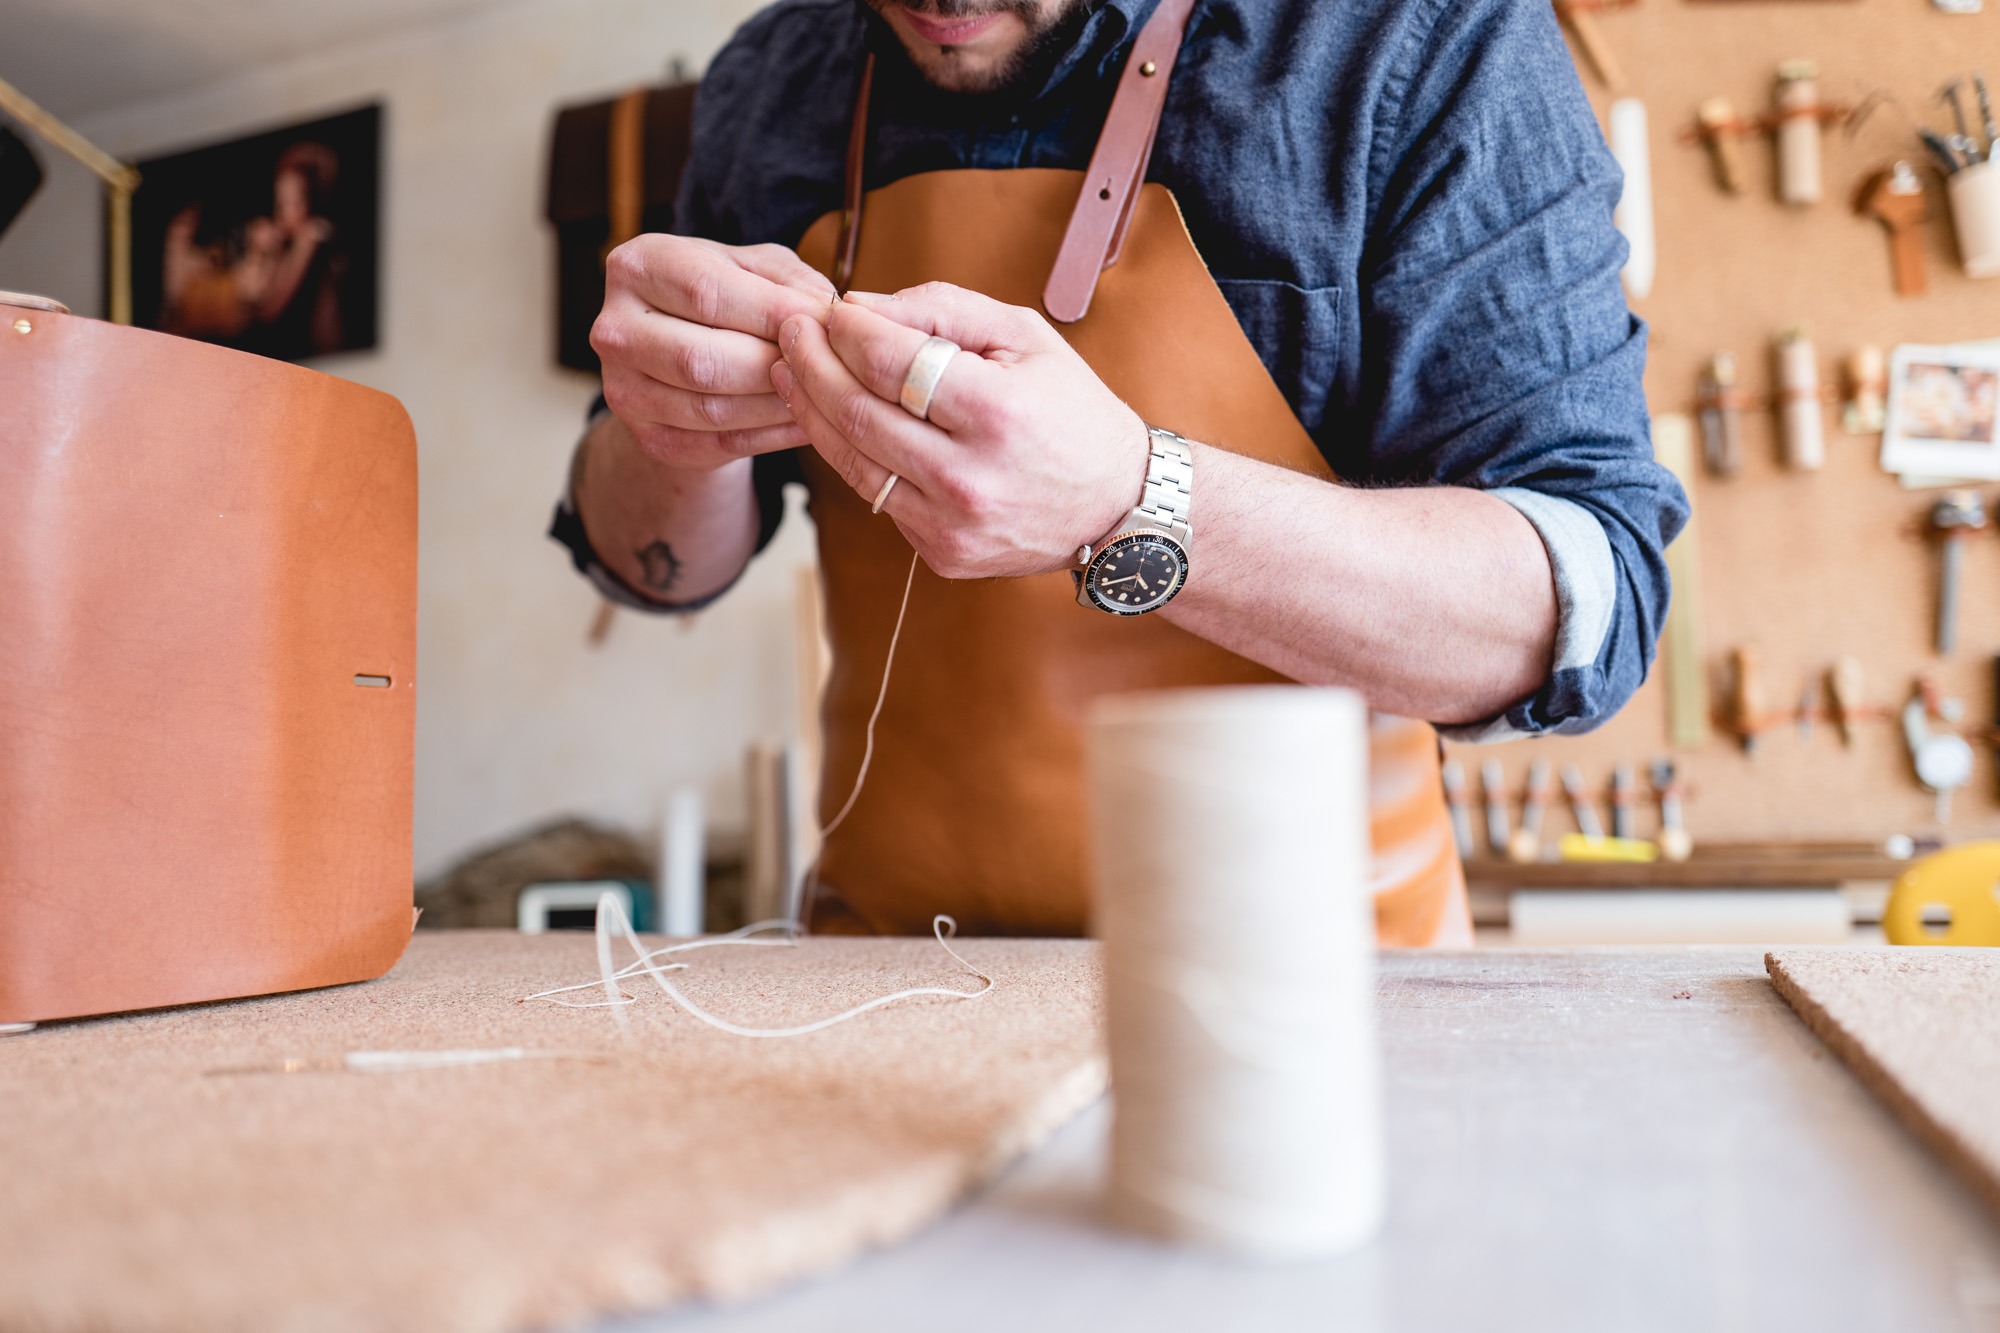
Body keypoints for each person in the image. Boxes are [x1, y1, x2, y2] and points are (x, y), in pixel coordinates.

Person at [550, 0, 1687, 944]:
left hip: (1320, 1004)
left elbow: (1583, 600)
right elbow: (651, 570)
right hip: (883, 984)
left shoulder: (1410, 35)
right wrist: (664, 434)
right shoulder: (770, 81)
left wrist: (1129, 498)